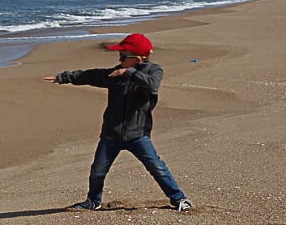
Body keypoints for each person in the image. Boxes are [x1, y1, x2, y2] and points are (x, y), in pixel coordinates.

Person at [43, 33, 192, 211]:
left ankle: (178, 199)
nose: (119, 59)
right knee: (97, 171)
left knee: (157, 167)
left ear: (137, 59)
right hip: (110, 135)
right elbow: (90, 76)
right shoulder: (116, 73)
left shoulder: (154, 71)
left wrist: (129, 73)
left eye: (122, 56)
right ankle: (93, 201)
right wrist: (64, 77)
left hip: (138, 135)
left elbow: (152, 86)